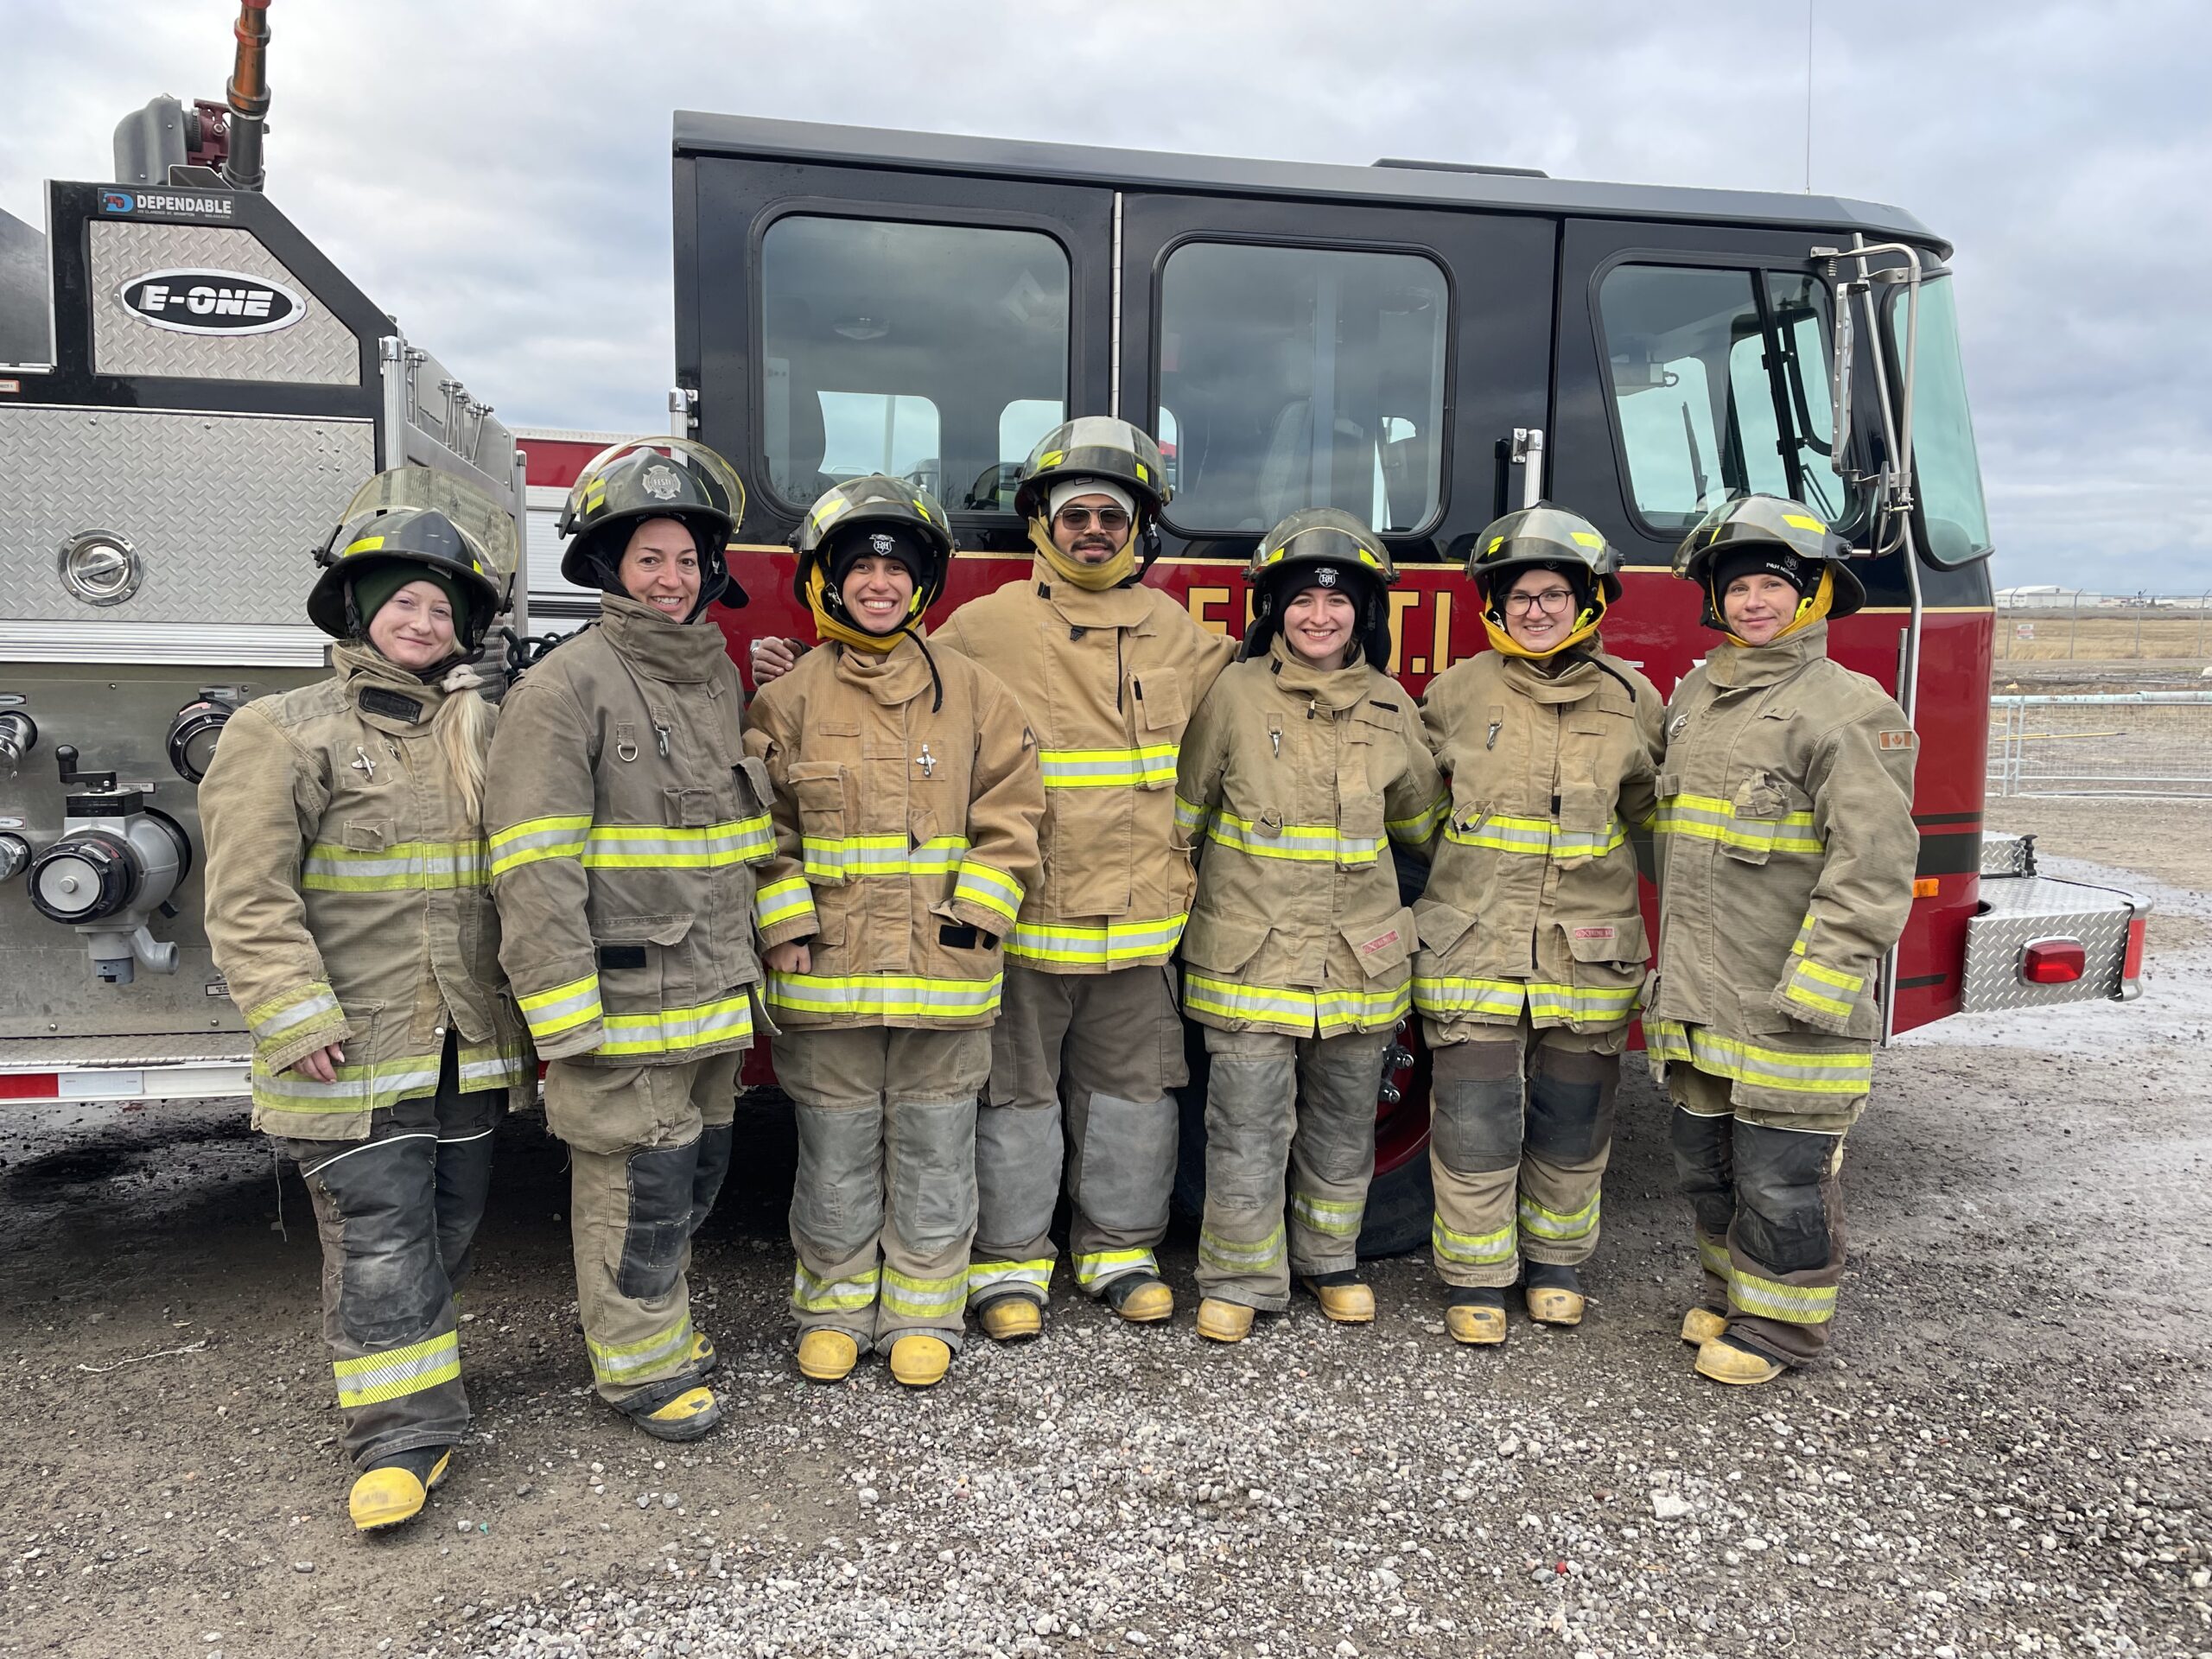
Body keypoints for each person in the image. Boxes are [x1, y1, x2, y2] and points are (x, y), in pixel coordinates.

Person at [760, 417, 1236, 1335]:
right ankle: (1009, 1265)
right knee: (1010, 1100)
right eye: (1074, 514)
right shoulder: (977, 631)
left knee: (1134, 1099)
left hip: (1140, 928)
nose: (1092, 530)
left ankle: (1121, 1251)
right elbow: (871, 675)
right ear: (1038, 523)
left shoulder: (1183, 637)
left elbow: (1253, 712)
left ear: (1139, 529)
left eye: (1112, 515)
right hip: (1018, 924)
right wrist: (775, 662)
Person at [198, 494, 529, 1532]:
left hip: (463, 1045)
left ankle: (420, 1383)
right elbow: (249, 897)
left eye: (441, 609)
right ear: (358, 606)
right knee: (382, 1238)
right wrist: (295, 1017)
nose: (423, 623)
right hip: (351, 1051)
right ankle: (395, 1439)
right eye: (404, 603)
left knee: (450, 1226)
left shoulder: (479, 731)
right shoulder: (279, 733)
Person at [484, 439, 771, 1440]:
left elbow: (736, 841)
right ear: (607, 566)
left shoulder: (715, 678)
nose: (671, 579)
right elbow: (532, 865)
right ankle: (640, 1373)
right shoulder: (565, 688)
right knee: (635, 1185)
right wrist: (566, 1023)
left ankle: (662, 1328)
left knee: (693, 1176)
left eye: (687, 560)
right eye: (648, 558)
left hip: (708, 992)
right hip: (621, 1002)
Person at [744, 476, 1043, 1388]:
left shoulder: (978, 698)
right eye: (861, 568)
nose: (879, 582)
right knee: (833, 1153)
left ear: (921, 587)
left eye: (896, 569)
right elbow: (765, 832)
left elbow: (1013, 818)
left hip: (941, 979)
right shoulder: (788, 699)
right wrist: (786, 928)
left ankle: (924, 1309)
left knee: (936, 1149)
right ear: (828, 584)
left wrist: (976, 923)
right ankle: (832, 1307)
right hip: (828, 978)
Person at [1647, 493, 1917, 1387]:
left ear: (1812, 595)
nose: (1753, 602)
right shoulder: (1696, 696)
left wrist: (1820, 983)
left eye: (1772, 585)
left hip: (1785, 999)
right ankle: (1733, 1297)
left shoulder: (1847, 709)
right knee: (1707, 1165)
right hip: (1699, 992)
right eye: (1738, 587)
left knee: (1782, 1173)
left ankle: (1784, 1332)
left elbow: (1872, 867)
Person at [1173, 510, 1442, 1343]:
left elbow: (1424, 830)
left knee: (1338, 1124)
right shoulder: (1233, 697)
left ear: (1365, 612)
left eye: (1337, 602)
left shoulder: (1394, 708)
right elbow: (1185, 818)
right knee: (1246, 1124)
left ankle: (1331, 1261)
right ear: (1275, 611)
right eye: (1302, 601)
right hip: (1249, 957)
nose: (1319, 617)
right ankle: (1239, 1276)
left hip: (1359, 964)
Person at [1411, 506, 1662, 1346]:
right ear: (1494, 605)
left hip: (1586, 958)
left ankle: (1555, 1264)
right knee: (1472, 1120)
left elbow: (1654, 827)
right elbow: (1414, 818)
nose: (1536, 610)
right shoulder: (1453, 695)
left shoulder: (1634, 701)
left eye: (1555, 594)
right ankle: (1475, 1277)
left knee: (1571, 1117)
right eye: (1519, 595)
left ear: (1588, 601)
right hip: (1472, 950)